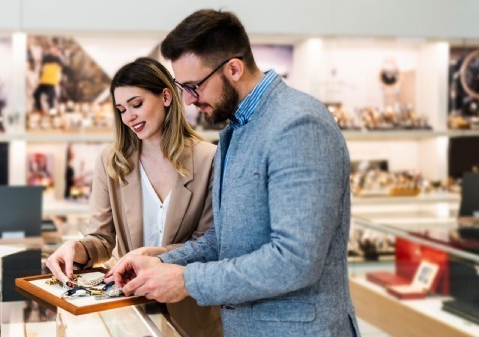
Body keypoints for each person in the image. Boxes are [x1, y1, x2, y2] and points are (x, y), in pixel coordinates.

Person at [107, 9, 361, 337]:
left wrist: (186, 281)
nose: (186, 100)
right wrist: (164, 260)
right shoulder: (235, 130)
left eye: (194, 86)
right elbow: (227, 238)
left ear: (234, 69)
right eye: (181, 87)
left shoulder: (299, 124)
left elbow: (296, 261)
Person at [45, 57, 222, 337]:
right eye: (121, 110)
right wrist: (76, 249)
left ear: (166, 96)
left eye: (136, 104)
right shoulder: (111, 161)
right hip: (129, 311)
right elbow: (101, 239)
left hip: (191, 312)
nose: (129, 117)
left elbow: (210, 243)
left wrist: (154, 256)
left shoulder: (210, 159)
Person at [32, 46, 65, 113]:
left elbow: (62, 65)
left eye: (54, 50)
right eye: (51, 50)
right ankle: (40, 109)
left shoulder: (57, 59)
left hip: (51, 81)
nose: (52, 51)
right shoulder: (48, 58)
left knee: (51, 96)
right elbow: (42, 64)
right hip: (44, 80)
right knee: (36, 94)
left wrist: (58, 54)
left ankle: (51, 109)